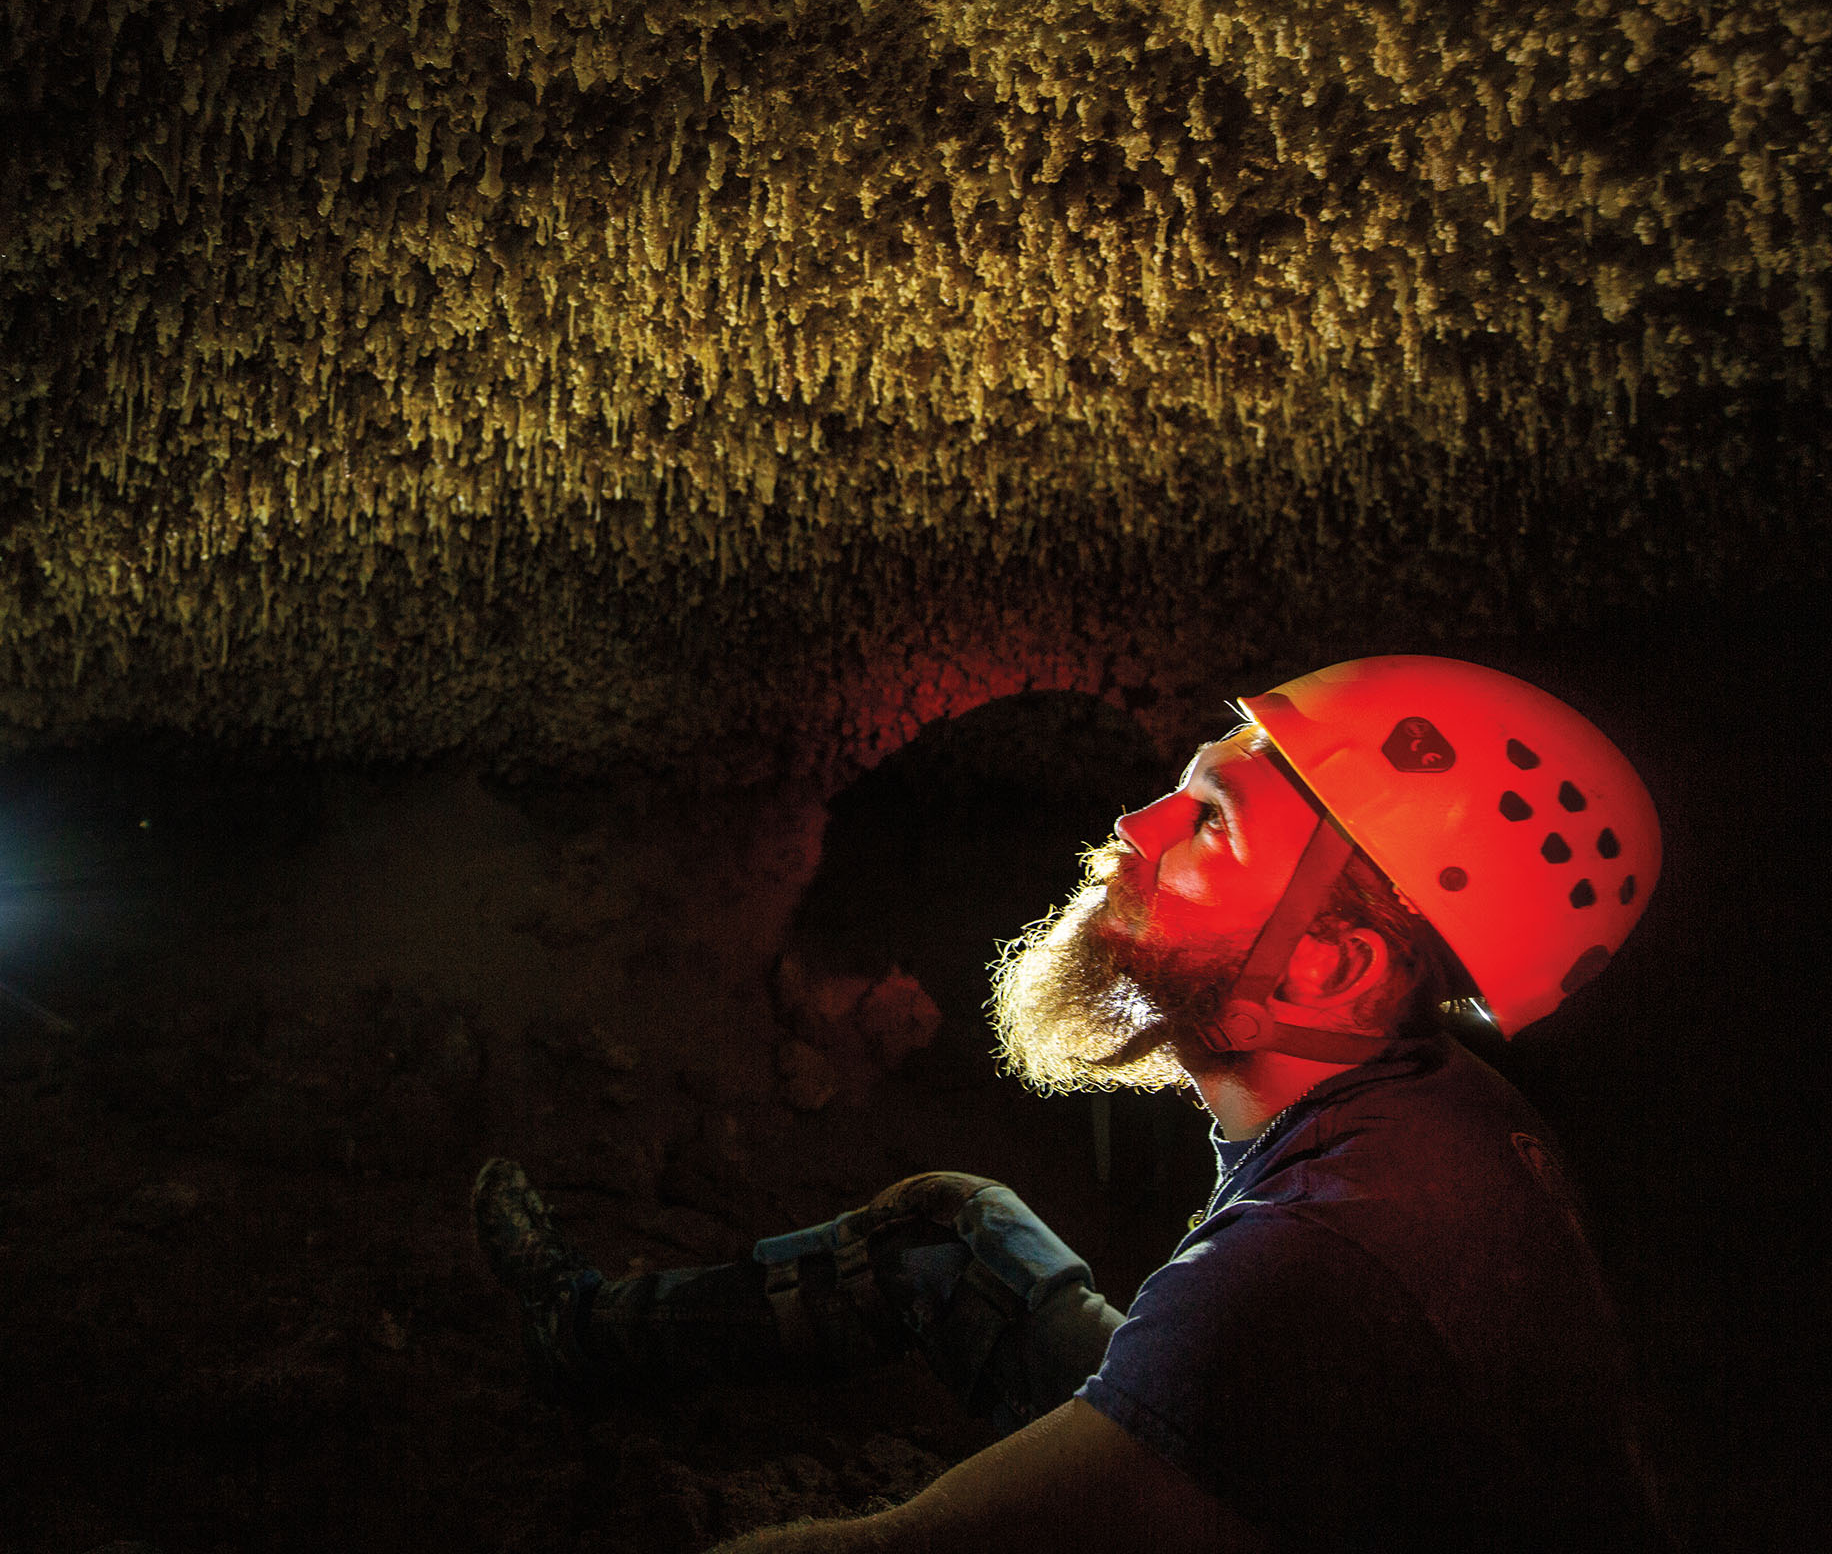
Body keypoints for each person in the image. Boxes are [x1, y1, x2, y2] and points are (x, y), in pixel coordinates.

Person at [473, 656, 1668, 1552]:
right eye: (1180, 791)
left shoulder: (1310, 1268)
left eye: (1209, 825)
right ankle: (579, 1331)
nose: (1132, 829)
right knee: (954, 1234)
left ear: (1329, 967)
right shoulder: (1419, 1100)